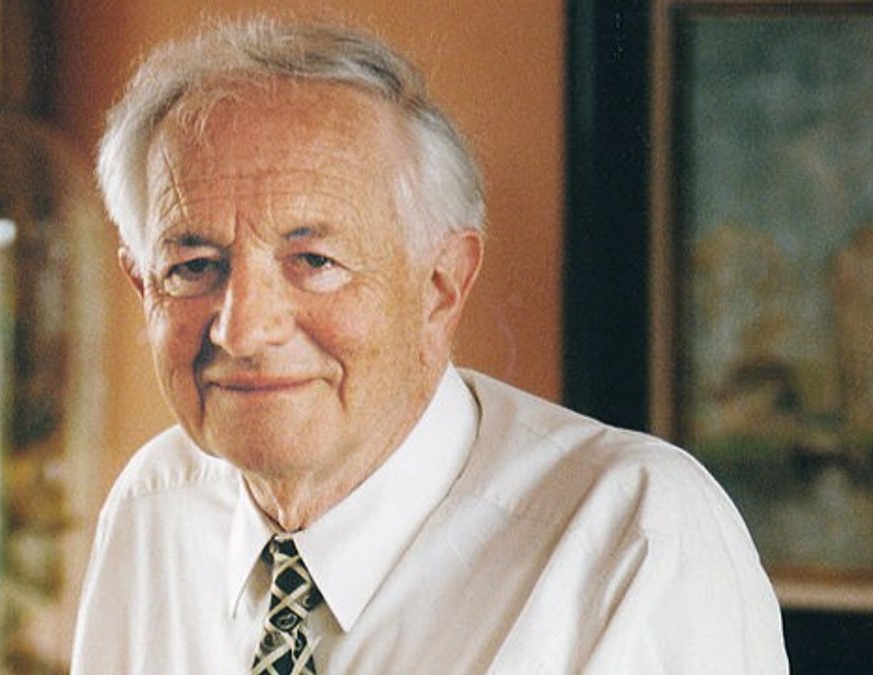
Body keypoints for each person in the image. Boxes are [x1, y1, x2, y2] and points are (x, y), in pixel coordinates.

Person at [71, 15, 788, 675]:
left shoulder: (634, 535)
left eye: (314, 261)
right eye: (194, 266)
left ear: (441, 286)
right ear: (142, 286)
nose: (243, 329)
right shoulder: (154, 505)